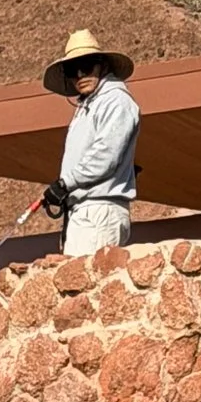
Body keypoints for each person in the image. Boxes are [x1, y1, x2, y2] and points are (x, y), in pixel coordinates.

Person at [44, 29, 139, 254]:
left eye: (86, 66)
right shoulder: (89, 106)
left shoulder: (115, 101)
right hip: (83, 211)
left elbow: (105, 154)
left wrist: (66, 183)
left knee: (86, 288)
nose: (79, 74)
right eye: (71, 70)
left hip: (99, 210)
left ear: (102, 65)